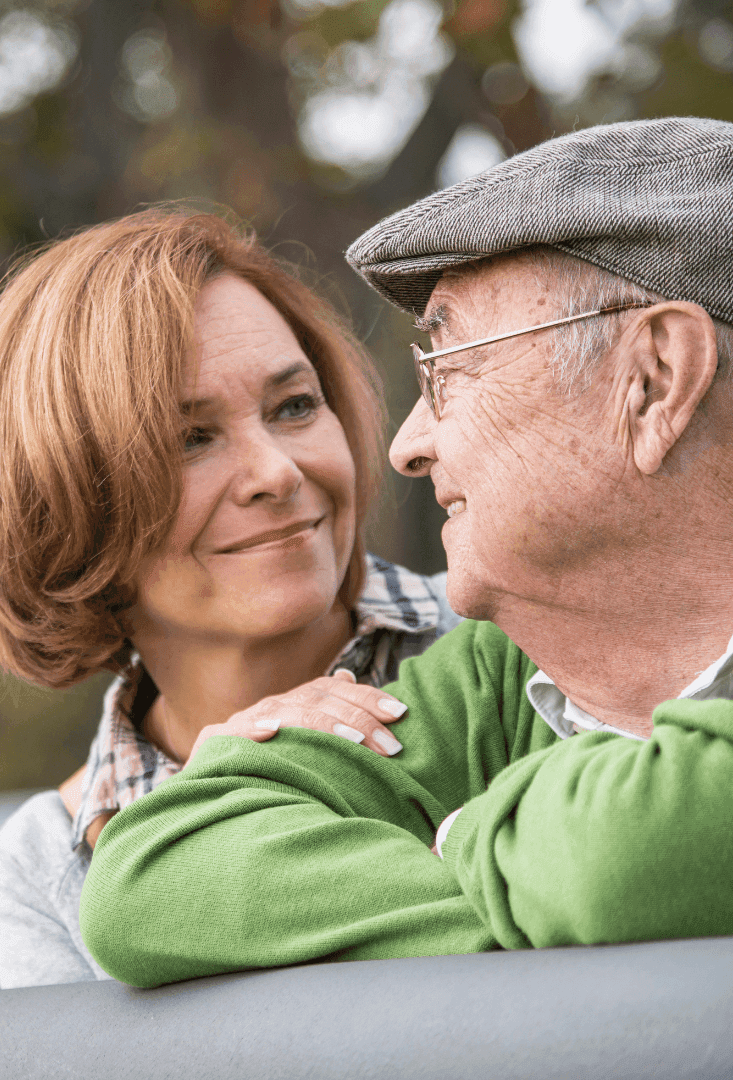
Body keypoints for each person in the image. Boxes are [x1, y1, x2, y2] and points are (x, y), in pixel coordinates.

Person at [79, 116, 733, 988]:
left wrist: (464, 833)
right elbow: (149, 878)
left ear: (653, 379)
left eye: (450, 368)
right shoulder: (506, 676)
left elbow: (638, 855)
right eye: (191, 437)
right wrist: (552, 886)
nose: (407, 444)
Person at [0, 210, 460, 988]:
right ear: (69, 510)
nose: (277, 473)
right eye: (190, 439)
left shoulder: (523, 633)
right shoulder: (49, 866)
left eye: (293, 407)